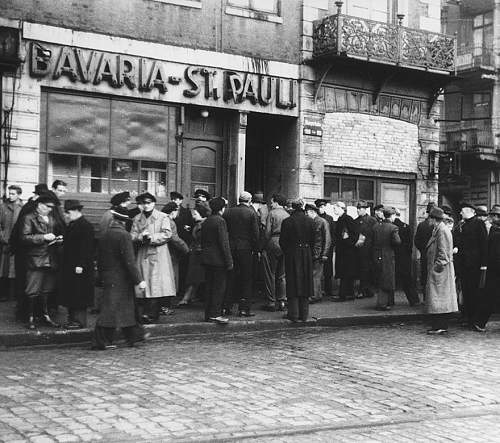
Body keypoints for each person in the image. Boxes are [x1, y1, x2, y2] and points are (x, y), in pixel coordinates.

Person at [93, 206, 148, 349]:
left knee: (124, 308)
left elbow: (99, 257)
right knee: (112, 310)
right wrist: (139, 280)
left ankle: (135, 336)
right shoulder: (124, 236)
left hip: (108, 276)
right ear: (124, 222)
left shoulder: (105, 234)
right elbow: (129, 261)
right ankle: (101, 341)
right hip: (121, 279)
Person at [20, 193, 63, 329]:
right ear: (39, 205)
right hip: (36, 259)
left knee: (46, 290)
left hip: (50, 258)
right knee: (32, 290)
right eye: (48, 206)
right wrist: (43, 237)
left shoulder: (51, 218)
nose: (50, 209)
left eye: (52, 207)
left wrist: (58, 238)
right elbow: (24, 238)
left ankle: (45, 316)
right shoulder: (28, 218)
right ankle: (30, 318)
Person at [131, 192, 175, 323]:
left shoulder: (163, 217)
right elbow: (132, 235)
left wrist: (151, 237)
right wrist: (140, 237)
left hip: (158, 254)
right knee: (145, 284)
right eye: (144, 203)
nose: (146, 205)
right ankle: (145, 313)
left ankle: (152, 314)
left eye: (149, 202)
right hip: (143, 253)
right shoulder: (137, 218)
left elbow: (167, 234)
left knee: (155, 285)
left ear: (154, 203)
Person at [9, 183, 49, 320]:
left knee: (26, 282)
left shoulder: (27, 206)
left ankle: (25, 312)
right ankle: (28, 313)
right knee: (29, 283)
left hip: (24, 250)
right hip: (28, 251)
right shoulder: (32, 209)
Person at [279, 199, 319, 322]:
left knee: (293, 282)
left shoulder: (287, 221)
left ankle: (294, 314)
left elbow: (282, 241)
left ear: (292, 207)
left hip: (292, 253)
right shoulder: (311, 222)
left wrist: (289, 251)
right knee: (305, 282)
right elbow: (314, 240)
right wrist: (309, 251)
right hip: (306, 253)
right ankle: (304, 314)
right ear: (302, 207)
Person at [223, 191, 259, 317]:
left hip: (231, 248)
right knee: (246, 278)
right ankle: (244, 309)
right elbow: (255, 234)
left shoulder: (228, 211)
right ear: (249, 201)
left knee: (230, 277)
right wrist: (257, 249)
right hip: (246, 249)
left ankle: (226, 307)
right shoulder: (251, 213)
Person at [60, 200, 95, 329]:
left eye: (68, 212)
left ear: (76, 211)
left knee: (79, 294)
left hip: (79, 267)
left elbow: (86, 248)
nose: (66, 215)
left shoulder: (84, 226)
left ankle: (79, 321)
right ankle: (73, 319)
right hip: (72, 266)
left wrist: (81, 264)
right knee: (73, 293)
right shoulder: (74, 224)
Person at [425, 207, 458, 334]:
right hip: (439, 270)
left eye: (429, 218)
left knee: (440, 299)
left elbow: (443, 254)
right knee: (439, 299)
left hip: (440, 271)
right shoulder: (438, 229)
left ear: (434, 219)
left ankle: (440, 325)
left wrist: (436, 269)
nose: (428, 221)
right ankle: (439, 325)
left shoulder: (442, 231)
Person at [454, 203, 488, 327]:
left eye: (462, 211)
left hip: (475, 264)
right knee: (467, 292)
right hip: (464, 264)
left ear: (469, 211)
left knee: (474, 293)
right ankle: (468, 317)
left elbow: (484, 245)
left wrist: (484, 264)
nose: (460, 213)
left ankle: (474, 319)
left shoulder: (479, 224)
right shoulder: (463, 224)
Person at [201, 197, 233, 324]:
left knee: (209, 287)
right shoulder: (220, 221)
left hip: (207, 258)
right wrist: (229, 261)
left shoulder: (207, 221)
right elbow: (224, 243)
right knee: (219, 288)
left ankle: (208, 314)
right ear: (221, 208)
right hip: (218, 259)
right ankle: (215, 314)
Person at [472, 206, 500, 332]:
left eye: (493, 215)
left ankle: (480, 322)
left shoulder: (495, 231)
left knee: (489, 296)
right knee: (490, 296)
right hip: (494, 269)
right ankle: (480, 322)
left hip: (494, 269)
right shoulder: (494, 231)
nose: (491, 218)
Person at [177, 204, 209, 307]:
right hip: (196, 253)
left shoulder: (203, 225)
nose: (193, 216)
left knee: (194, 277)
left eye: (195, 214)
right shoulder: (198, 224)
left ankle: (186, 298)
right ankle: (190, 297)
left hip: (199, 254)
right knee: (194, 277)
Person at [261, 194, 289, 311]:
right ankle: (282, 300)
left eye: (272, 202)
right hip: (285, 243)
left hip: (273, 242)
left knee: (270, 273)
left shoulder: (272, 213)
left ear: (276, 202)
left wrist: (263, 246)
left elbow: (267, 232)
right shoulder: (287, 214)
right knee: (282, 275)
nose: (271, 204)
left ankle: (271, 302)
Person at [372, 207, 401, 311]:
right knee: (387, 279)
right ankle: (383, 303)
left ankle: (386, 302)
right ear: (392, 216)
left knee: (380, 278)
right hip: (388, 256)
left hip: (376, 255)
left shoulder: (376, 226)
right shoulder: (393, 227)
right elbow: (397, 242)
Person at [162, 201, 190, 300]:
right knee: (171, 276)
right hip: (170, 252)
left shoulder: (159, 218)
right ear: (173, 212)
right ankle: (166, 305)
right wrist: (186, 249)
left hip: (160, 253)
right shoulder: (170, 222)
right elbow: (175, 239)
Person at [332, 201, 359, 302]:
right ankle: (349, 294)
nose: (334, 210)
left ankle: (343, 295)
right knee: (345, 273)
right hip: (344, 250)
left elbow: (354, 234)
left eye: (335, 208)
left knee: (345, 273)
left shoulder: (347, 219)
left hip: (347, 251)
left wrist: (347, 242)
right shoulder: (341, 219)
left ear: (341, 208)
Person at [0, 185, 23, 301]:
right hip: (5, 242)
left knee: (14, 269)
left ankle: (13, 294)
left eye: (13, 193)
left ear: (19, 195)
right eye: (10, 193)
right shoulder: (3, 207)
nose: (10, 195)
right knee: (3, 269)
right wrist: (2, 236)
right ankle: (3, 294)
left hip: (17, 243)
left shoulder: (22, 208)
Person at [393, 208, 420, 306]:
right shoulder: (406, 226)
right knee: (407, 280)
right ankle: (414, 300)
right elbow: (410, 245)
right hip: (405, 257)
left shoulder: (392, 226)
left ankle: (389, 301)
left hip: (394, 256)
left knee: (391, 279)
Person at [305, 203, 331, 304]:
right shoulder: (313, 221)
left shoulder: (322, 222)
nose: (306, 214)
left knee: (315, 275)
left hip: (318, 253)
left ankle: (315, 296)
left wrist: (325, 254)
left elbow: (327, 239)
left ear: (312, 212)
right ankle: (317, 295)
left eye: (307, 212)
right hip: (313, 252)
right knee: (315, 274)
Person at [353, 200, 377, 299]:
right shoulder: (355, 221)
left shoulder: (372, 220)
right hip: (359, 250)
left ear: (365, 209)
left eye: (360, 209)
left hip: (369, 250)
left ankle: (367, 290)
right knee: (361, 270)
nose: (358, 210)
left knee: (368, 270)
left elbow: (375, 235)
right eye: (357, 209)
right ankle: (363, 290)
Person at [414, 201, 437, 298]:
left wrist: (423, 250)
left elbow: (416, 241)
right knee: (434, 276)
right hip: (435, 255)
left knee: (425, 275)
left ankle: (425, 296)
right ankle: (432, 297)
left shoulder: (421, 225)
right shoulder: (437, 226)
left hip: (424, 254)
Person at [315, 199, 335, 297]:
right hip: (318, 247)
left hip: (328, 247)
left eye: (322, 207)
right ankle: (318, 291)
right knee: (317, 270)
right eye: (319, 207)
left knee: (328, 270)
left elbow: (333, 234)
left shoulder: (330, 218)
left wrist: (331, 246)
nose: (321, 209)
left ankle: (328, 290)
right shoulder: (315, 218)